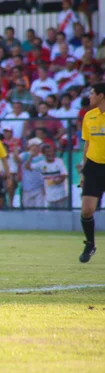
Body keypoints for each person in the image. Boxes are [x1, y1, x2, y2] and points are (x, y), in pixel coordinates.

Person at [77, 83, 105, 263]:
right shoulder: (89, 116)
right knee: (87, 210)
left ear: (101, 95)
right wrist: (83, 170)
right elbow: (87, 144)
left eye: (92, 93)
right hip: (93, 167)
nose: (89, 97)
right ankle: (90, 244)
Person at [24, 144, 68, 209]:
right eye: (47, 152)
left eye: (51, 151)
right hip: (49, 197)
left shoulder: (59, 161)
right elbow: (27, 167)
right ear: (44, 154)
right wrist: (31, 156)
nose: (49, 154)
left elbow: (64, 174)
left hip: (61, 196)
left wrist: (59, 180)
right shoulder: (41, 163)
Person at [20, 138, 45, 208]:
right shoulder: (24, 155)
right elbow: (17, 161)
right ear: (30, 146)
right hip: (26, 188)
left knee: (40, 210)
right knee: (28, 210)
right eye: (35, 146)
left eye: (38, 146)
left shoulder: (42, 157)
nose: (37, 148)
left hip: (39, 188)